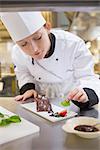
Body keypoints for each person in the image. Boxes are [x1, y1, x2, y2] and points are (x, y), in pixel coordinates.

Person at [1, 11, 100, 109]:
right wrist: (28, 89)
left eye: (38, 37)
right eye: (23, 44)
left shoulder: (73, 44)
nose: (34, 49)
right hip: (40, 109)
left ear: (47, 27)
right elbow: (23, 72)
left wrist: (86, 93)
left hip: (73, 106)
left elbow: (88, 77)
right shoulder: (18, 52)